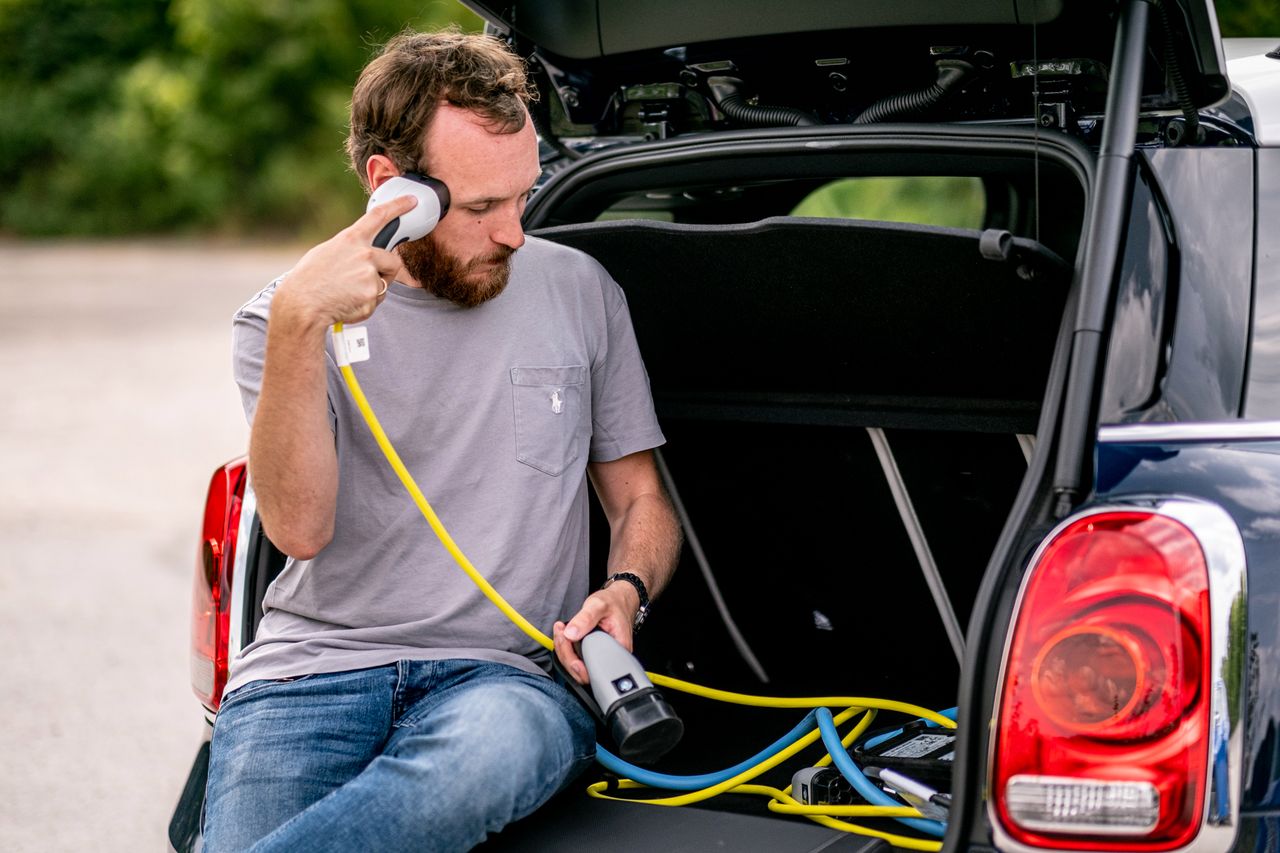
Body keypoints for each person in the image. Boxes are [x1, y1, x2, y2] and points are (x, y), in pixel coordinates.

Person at [202, 29, 682, 852]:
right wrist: (297, 325)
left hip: (503, 683)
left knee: (480, 758)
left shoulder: (581, 292)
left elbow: (642, 498)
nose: (515, 234)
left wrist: (625, 590)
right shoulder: (279, 320)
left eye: (523, 197)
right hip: (307, 675)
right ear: (394, 188)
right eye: (483, 207)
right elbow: (300, 530)